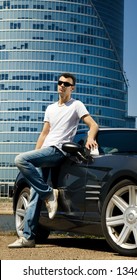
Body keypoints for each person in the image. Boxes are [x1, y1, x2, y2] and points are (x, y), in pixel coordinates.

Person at [8, 72, 99, 248]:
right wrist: (36, 155)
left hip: (59, 150)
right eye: (60, 83)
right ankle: (28, 237)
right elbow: (44, 133)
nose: (62, 85)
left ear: (72, 87)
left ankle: (49, 193)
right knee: (35, 192)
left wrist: (90, 137)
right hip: (45, 151)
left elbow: (93, 125)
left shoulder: (76, 105)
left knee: (20, 159)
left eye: (66, 83)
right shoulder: (50, 108)